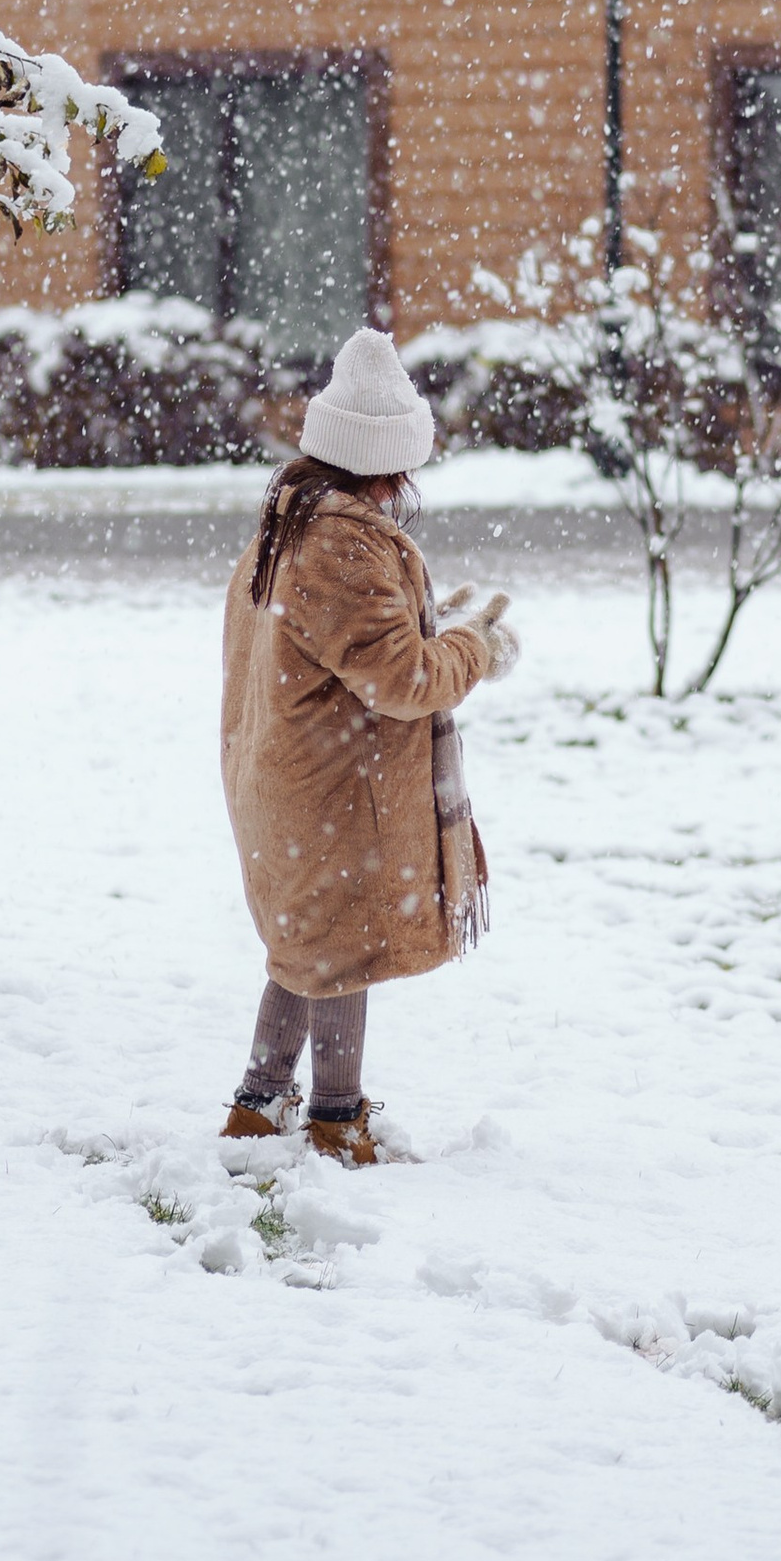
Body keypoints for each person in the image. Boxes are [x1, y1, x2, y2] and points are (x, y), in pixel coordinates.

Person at [220, 324, 519, 1166]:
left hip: (282, 778)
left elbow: (355, 647)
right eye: (404, 467)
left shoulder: (285, 526)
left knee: (302, 944)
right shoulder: (342, 545)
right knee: (339, 950)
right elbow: (403, 681)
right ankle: (335, 1119)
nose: (407, 485)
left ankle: (257, 1102)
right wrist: (476, 650)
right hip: (330, 794)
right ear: (381, 463)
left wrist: (434, 622)